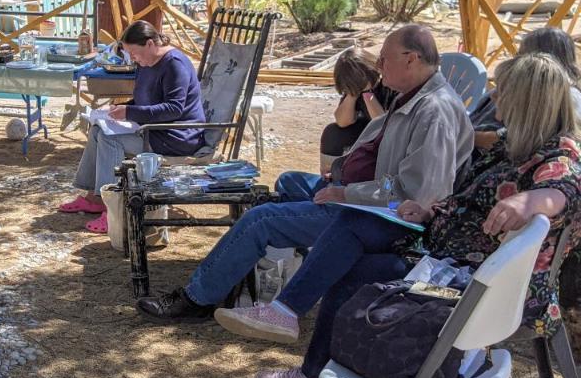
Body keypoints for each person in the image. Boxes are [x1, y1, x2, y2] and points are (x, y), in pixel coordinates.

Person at [243, 53, 581, 378]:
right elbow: (468, 187)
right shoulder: (515, 146)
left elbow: (567, 188)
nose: (494, 96)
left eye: (503, 90)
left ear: (528, 101)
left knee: (353, 249)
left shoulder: (557, 156)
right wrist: (429, 210)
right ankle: (291, 325)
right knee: (354, 228)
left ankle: (297, 341)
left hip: (470, 283)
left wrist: (530, 201)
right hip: (443, 254)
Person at [138, 24, 473, 323]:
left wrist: (346, 192)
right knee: (288, 183)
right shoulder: (414, 97)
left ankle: (197, 298)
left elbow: (415, 195)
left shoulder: (434, 112)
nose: (379, 66)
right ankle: (260, 269)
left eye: (384, 59)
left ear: (411, 59)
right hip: (363, 197)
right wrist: (342, 174)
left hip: (377, 217)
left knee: (261, 219)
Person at [58, 21, 204, 234]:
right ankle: (96, 197)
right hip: (153, 129)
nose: (133, 59)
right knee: (99, 130)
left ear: (151, 44)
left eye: (134, 53)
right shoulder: (146, 63)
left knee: (110, 139)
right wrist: (123, 108)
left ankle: (114, 210)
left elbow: (174, 109)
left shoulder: (174, 64)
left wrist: (130, 113)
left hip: (176, 135)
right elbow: (144, 100)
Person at [472, 26, 581, 147]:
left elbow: (521, 138)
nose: (516, 60)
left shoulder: (566, 97)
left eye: (521, 55)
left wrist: (464, 138)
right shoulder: (519, 87)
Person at [316, 48, 396, 175]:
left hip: (390, 140)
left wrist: (368, 94)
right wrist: (352, 93)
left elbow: (382, 125)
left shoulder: (390, 84)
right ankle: (333, 174)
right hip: (365, 133)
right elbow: (342, 122)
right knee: (332, 132)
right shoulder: (354, 87)